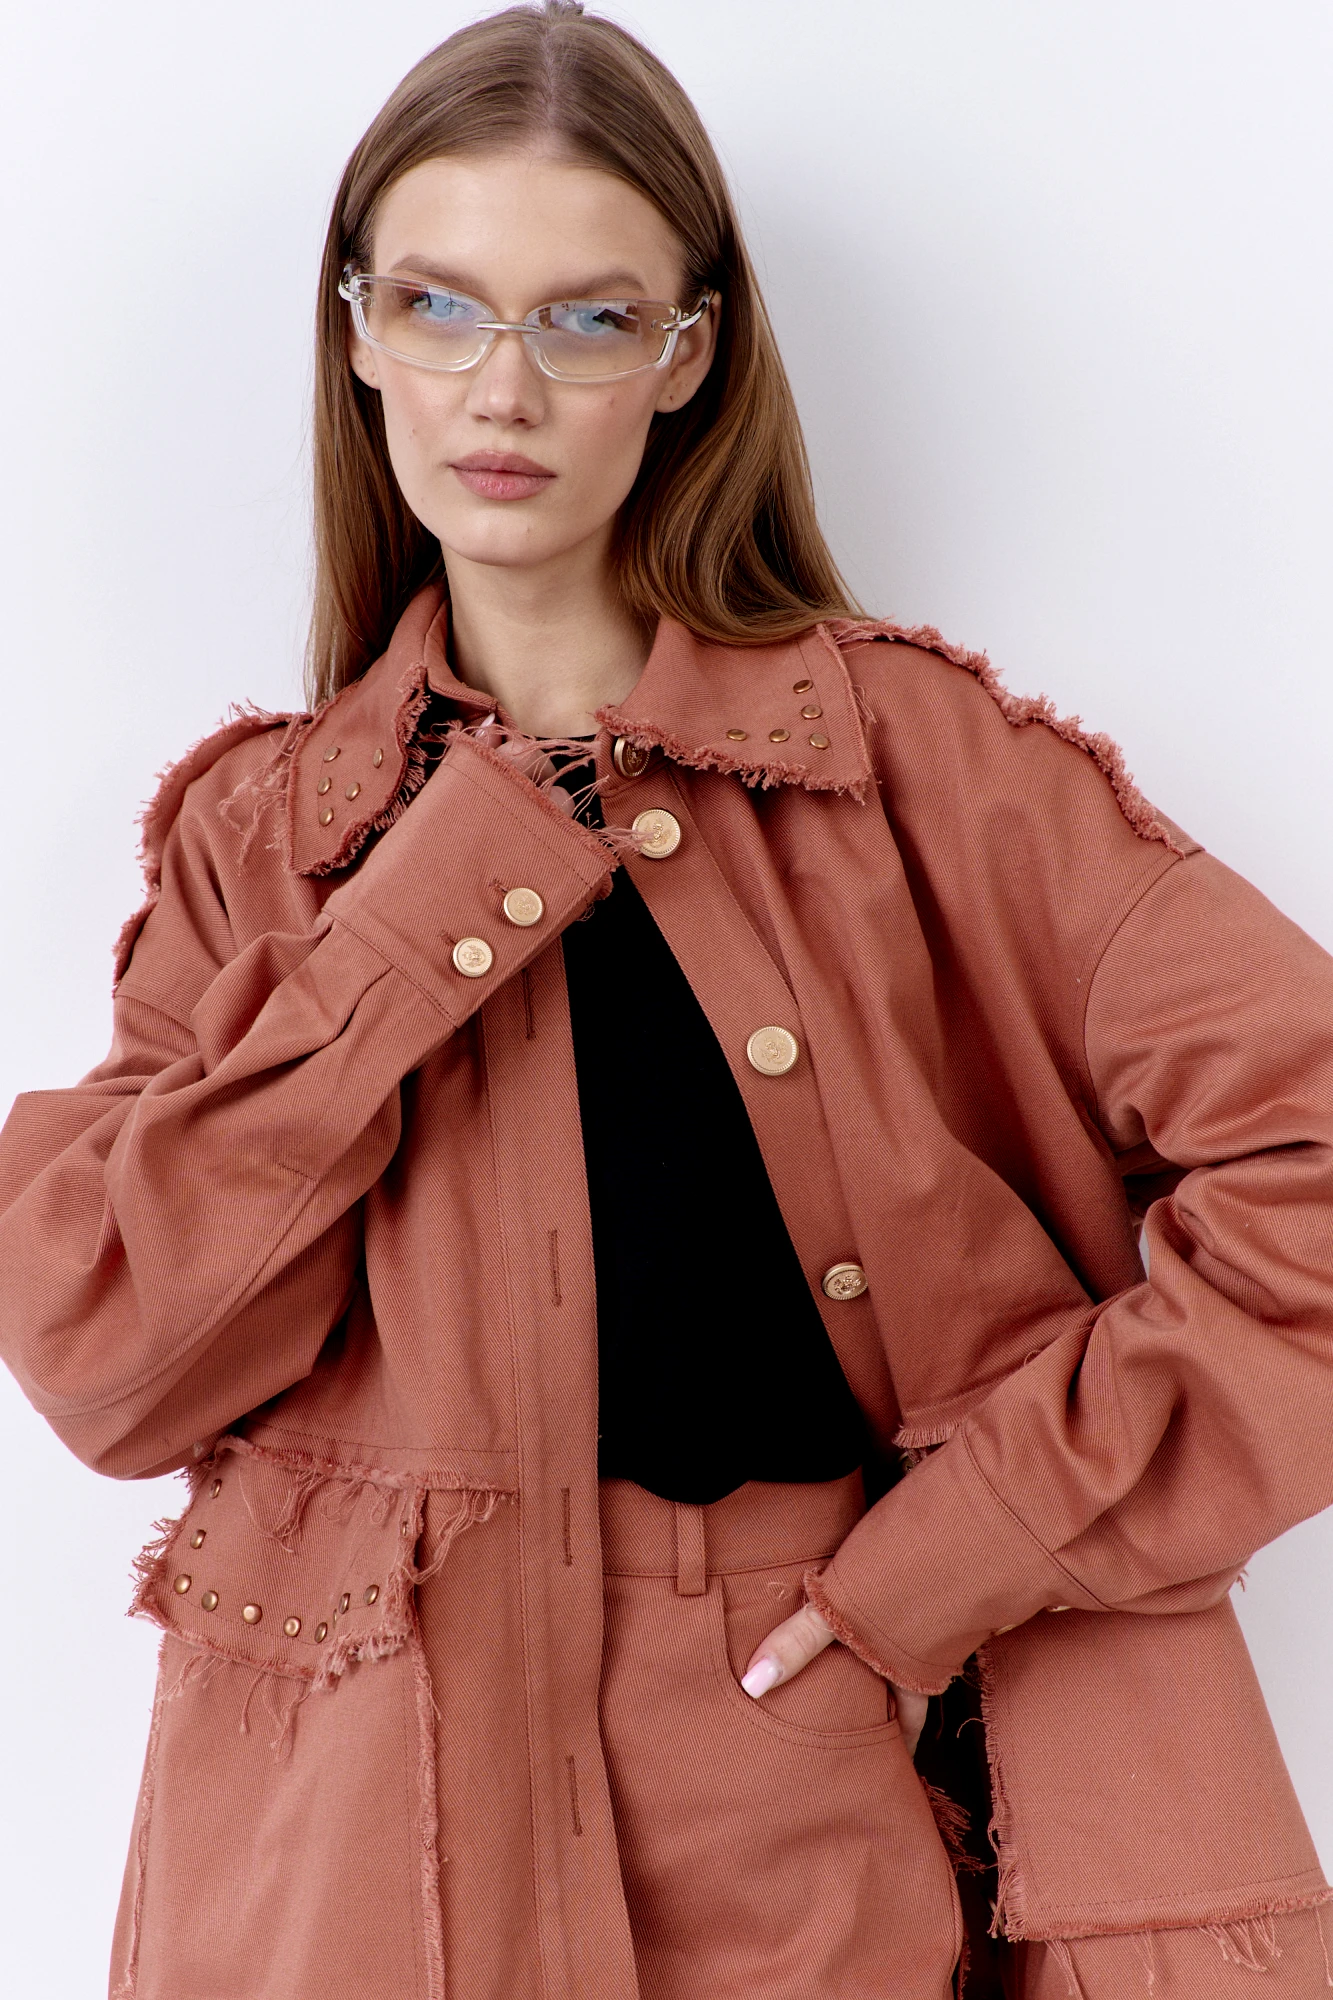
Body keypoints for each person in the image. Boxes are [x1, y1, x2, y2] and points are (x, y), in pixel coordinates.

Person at [2, 3, 1332, 1995]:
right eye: (439, 304)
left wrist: (945, 1566)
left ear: (687, 354)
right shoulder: (269, 835)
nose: (502, 384)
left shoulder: (916, 769)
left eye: (588, 318)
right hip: (366, 1819)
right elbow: (105, 1354)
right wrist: (429, 901)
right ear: (356, 331)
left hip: (802, 1756)